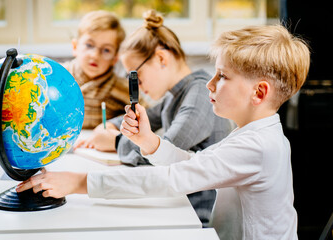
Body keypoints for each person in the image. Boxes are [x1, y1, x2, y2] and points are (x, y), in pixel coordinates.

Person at [16, 24, 310, 239]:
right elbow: (194, 164)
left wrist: (79, 182)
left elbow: (172, 180)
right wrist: (151, 143)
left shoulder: (257, 146)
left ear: (258, 92)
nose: (210, 84)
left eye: (222, 77)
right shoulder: (256, 134)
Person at [74, 9, 232, 226]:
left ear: (160, 58)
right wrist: (109, 125)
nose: (137, 87)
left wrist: (114, 141)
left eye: (136, 77)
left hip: (194, 216)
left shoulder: (200, 95)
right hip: (174, 203)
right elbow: (144, 118)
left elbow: (162, 150)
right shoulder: (175, 96)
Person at [62, 10, 130, 129]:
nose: (95, 55)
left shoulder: (121, 88)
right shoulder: (57, 75)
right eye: (89, 45)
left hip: (97, 145)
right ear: (75, 47)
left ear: (115, 58)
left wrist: (117, 126)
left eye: (106, 50)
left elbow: (149, 114)